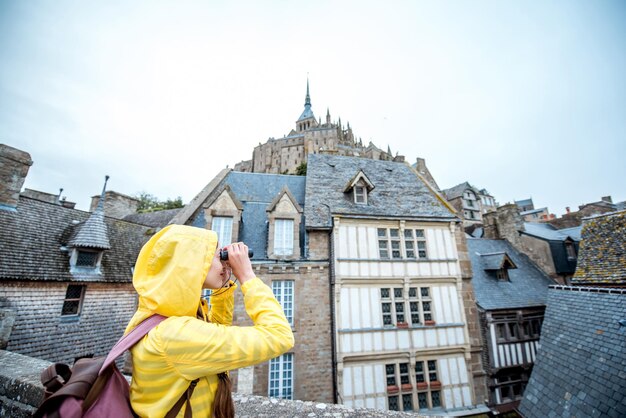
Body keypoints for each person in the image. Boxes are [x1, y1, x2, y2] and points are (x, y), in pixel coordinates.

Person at [124, 224, 294, 418]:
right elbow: (279, 336)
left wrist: (224, 285)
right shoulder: (174, 335)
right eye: (214, 255)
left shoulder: (163, 312)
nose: (222, 260)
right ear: (190, 265)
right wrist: (247, 276)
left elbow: (216, 331)